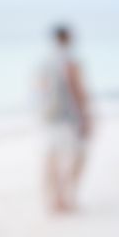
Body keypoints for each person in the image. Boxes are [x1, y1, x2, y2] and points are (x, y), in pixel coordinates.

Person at [39, 24, 92, 213]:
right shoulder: (70, 61)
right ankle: (66, 196)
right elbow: (78, 90)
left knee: (53, 158)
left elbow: (40, 89)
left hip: (49, 116)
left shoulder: (45, 61)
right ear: (68, 38)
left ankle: (54, 199)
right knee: (78, 156)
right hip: (68, 117)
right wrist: (86, 116)